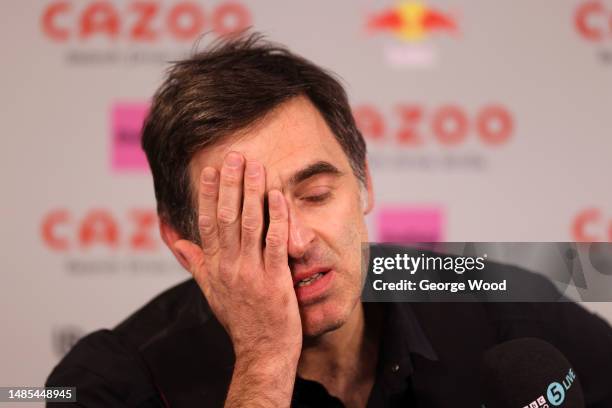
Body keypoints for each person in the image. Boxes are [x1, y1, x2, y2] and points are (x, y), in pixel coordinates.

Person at [46, 32, 612, 407]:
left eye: (316, 194)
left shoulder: (489, 301)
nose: (294, 240)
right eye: (250, 218)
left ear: (363, 180)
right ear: (180, 239)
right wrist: (263, 363)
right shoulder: (109, 381)